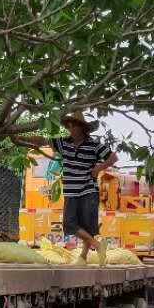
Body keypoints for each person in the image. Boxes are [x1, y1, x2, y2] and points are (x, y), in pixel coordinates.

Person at [48, 111, 117, 265]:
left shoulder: (94, 145)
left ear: (82, 128)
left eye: (74, 127)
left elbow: (113, 157)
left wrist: (99, 168)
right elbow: (43, 141)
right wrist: (22, 139)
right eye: (69, 127)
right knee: (69, 224)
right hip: (71, 191)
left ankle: (83, 257)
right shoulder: (63, 143)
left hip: (88, 190)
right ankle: (97, 246)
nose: (71, 130)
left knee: (87, 225)